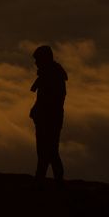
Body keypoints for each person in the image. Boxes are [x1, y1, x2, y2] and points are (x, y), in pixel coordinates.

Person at [30, 44, 67, 186]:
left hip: (50, 119)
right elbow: (42, 97)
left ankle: (52, 180)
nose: (35, 63)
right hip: (45, 118)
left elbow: (53, 99)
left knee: (50, 151)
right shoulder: (48, 74)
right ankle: (42, 179)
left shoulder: (53, 75)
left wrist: (40, 111)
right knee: (45, 151)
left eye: (38, 60)